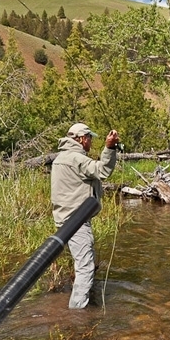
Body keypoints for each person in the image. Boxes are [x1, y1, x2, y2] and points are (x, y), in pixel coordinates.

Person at [51, 122, 119, 309]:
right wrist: (110, 148)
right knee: (85, 268)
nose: (90, 142)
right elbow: (103, 171)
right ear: (81, 139)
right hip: (76, 221)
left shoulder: (62, 157)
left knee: (83, 263)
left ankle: (77, 303)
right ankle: (77, 314)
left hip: (65, 219)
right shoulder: (76, 159)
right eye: (89, 138)